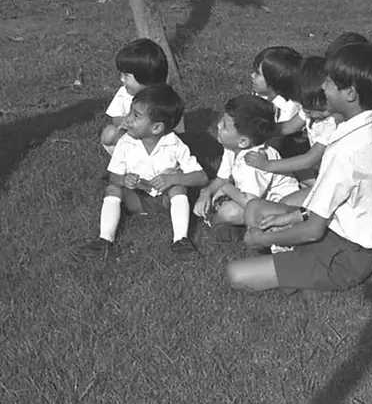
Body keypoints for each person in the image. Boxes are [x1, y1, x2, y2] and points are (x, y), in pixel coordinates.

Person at [226, 43, 372, 294]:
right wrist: (286, 218)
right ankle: (295, 270)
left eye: (328, 82)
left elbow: (314, 229)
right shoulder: (371, 128)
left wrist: (263, 238)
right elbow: (323, 206)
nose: (323, 86)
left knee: (236, 275)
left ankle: (305, 277)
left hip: (346, 254)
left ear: (349, 93)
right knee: (257, 209)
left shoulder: (346, 151)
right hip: (337, 230)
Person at [77, 84, 208, 258]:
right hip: (137, 200)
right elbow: (113, 176)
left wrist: (173, 179)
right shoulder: (125, 142)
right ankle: (105, 240)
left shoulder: (175, 145)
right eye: (130, 112)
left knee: (178, 189)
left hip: (164, 201)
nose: (128, 119)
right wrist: (125, 180)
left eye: (135, 115)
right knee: (112, 189)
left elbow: (202, 177)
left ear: (156, 128)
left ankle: (181, 241)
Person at [193, 94, 299, 243]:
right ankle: (233, 226)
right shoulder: (231, 148)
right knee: (217, 194)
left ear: (243, 141)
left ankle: (218, 223)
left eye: (224, 126)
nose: (218, 126)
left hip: (281, 209)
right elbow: (222, 177)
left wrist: (226, 189)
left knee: (229, 212)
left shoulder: (253, 162)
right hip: (258, 201)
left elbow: (250, 203)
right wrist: (206, 193)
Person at [245, 55, 340, 201]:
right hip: (318, 170)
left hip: (334, 176)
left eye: (317, 109)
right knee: (293, 168)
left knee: (287, 201)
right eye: (305, 108)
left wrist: (267, 165)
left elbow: (310, 159)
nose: (309, 113)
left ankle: (320, 198)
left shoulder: (333, 122)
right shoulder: (310, 108)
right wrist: (259, 131)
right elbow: (289, 127)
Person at [100, 38, 181, 155]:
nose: (121, 79)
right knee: (109, 133)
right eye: (121, 74)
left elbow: (177, 130)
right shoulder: (124, 93)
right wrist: (126, 123)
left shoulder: (165, 99)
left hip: (156, 145)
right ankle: (126, 161)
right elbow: (116, 117)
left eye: (126, 76)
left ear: (144, 77)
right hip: (130, 138)